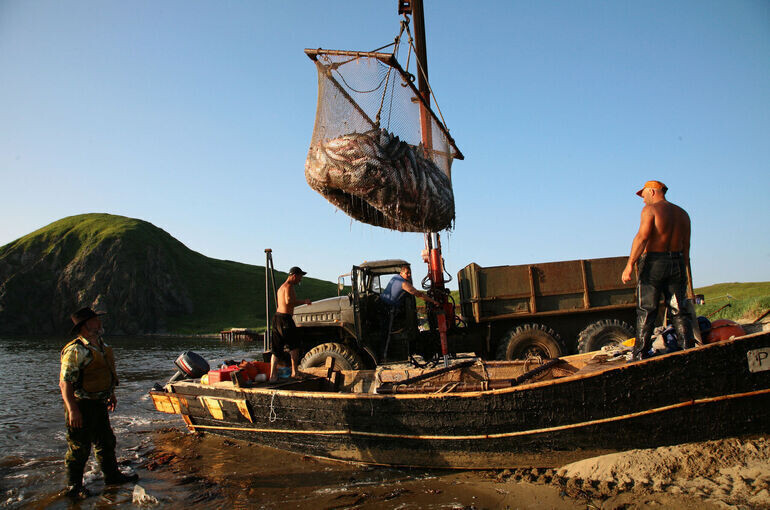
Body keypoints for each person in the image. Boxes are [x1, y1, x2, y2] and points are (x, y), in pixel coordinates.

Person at [59, 307, 138, 499]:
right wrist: (72, 410)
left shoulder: (100, 345)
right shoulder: (75, 350)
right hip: (81, 405)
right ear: (86, 325)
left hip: (99, 402)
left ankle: (112, 477)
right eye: (95, 320)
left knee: (106, 441)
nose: (99, 323)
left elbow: (104, 373)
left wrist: (111, 394)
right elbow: (65, 383)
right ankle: (73, 487)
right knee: (79, 447)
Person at [621, 180, 696, 361]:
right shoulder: (683, 214)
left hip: (655, 262)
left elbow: (642, 237)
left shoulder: (650, 210)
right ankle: (689, 351)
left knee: (646, 310)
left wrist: (630, 264)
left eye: (644, 194)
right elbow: (686, 246)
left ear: (653, 192)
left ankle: (640, 355)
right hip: (677, 261)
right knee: (678, 309)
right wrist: (685, 270)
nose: (643, 199)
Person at [269, 266, 312, 382]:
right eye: (299, 277)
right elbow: (288, 301)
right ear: (294, 276)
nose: (300, 280)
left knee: (276, 349)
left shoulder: (280, 288)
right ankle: (294, 372)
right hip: (285, 319)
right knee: (295, 346)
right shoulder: (289, 287)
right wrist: (304, 301)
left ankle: (272, 376)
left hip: (277, 318)